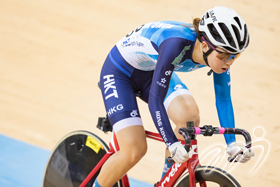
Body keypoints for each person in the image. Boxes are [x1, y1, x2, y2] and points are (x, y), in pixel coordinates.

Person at [96, 6, 254, 187]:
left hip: (153, 69)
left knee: (189, 117)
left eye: (236, 55)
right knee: (134, 150)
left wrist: (231, 144)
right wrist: (171, 143)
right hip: (119, 73)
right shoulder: (176, 45)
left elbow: (223, 99)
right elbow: (155, 101)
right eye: (225, 55)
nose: (230, 61)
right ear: (204, 45)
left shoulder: (219, 55)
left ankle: (165, 181)